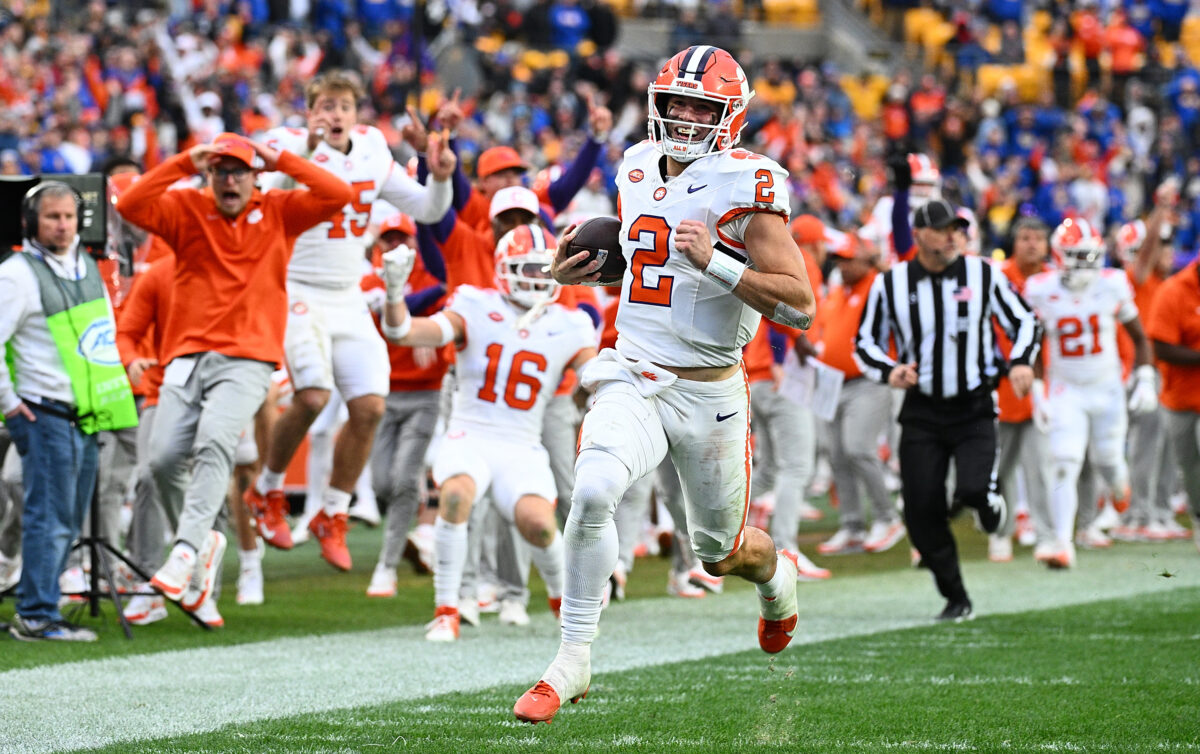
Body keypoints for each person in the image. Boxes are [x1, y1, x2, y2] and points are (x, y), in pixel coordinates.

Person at [514, 45, 817, 724]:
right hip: (634, 368)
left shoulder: (751, 184)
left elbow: (799, 305)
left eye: (699, 106)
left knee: (721, 554)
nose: (682, 116)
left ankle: (778, 578)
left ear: (728, 116)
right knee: (591, 490)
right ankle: (572, 661)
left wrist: (717, 262)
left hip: (710, 392)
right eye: (674, 102)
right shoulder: (637, 164)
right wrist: (582, 273)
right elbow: (649, 275)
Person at [116, 133, 352, 625]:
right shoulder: (185, 208)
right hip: (184, 356)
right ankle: (205, 544)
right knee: (158, 461)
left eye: (238, 170)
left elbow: (338, 195)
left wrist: (280, 157)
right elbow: (131, 204)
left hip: (248, 357)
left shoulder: (281, 210)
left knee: (214, 444)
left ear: (254, 176)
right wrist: (182, 161)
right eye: (220, 170)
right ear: (208, 174)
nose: (229, 180)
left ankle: (184, 551)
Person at [248, 72, 456, 571]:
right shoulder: (284, 142)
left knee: (369, 408)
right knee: (314, 395)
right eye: (325, 104)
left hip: (346, 294)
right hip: (296, 287)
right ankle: (269, 490)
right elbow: (260, 201)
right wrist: (303, 151)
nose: (335, 114)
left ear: (357, 113)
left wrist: (441, 173)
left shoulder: (371, 150)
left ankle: (334, 512)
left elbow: (428, 210)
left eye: (344, 105)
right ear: (308, 109)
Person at [379, 224, 598, 641]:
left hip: (522, 444)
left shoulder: (570, 323)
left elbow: (593, 375)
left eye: (541, 268)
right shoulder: (474, 304)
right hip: (470, 434)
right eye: (525, 268)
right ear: (502, 268)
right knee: (457, 495)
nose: (535, 277)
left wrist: (614, 383)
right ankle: (446, 610)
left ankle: (565, 608)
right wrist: (393, 295)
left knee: (539, 525)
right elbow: (403, 332)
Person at [855, 198, 1040, 621]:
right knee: (920, 512)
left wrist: (1022, 360)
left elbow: (1025, 321)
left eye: (957, 228)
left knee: (973, 489)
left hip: (974, 405)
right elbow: (864, 341)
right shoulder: (892, 282)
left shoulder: (983, 274)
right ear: (919, 235)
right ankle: (956, 596)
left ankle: (989, 505)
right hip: (921, 410)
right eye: (943, 229)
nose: (954, 235)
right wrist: (891, 370)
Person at [1, 181, 139, 641]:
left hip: (84, 413)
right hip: (43, 413)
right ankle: (37, 615)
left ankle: (41, 607)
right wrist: (11, 405)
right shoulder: (17, 274)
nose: (62, 225)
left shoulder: (86, 266)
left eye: (68, 216)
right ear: (31, 223)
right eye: (51, 217)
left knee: (68, 513)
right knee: (50, 516)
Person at [1023, 218, 1158, 568]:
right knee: (1064, 462)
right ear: (1059, 256)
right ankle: (1062, 543)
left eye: (1090, 255)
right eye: (1077, 255)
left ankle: (1119, 487)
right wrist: (1038, 390)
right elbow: (1034, 346)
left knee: (1108, 461)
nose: (1086, 263)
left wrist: (1144, 376)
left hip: (1107, 387)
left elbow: (1140, 338)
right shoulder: (1039, 288)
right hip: (1067, 388)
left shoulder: (1112, 284)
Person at [817, 234, 905, 555]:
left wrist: (878, 262)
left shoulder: (879, 285)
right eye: (839, 259)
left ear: (865, 259)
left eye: (848, 258)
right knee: (837, 455)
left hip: (867, 379)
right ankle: (852, 526)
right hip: (832, 382)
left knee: (859, 448)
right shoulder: (839, 290)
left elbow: (902, 285)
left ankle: (887, 517)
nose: (841, 264)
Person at [989, 217, 1056, 562]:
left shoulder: (1056, 279)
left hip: (1043, 387)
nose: (1032, 244)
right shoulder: (998, 276)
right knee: (998, 468)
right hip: (1002, 385)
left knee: (1041, 466)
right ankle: (1001, 531)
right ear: (1015, 242)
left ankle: (1046, 534)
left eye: (1038, 238)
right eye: (1026, 238)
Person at [1145, 258, 1200, 553]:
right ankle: (1198, 516)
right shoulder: (1174, 291)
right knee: (1190, 468)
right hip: (1182, 397)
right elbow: (1161, 347)